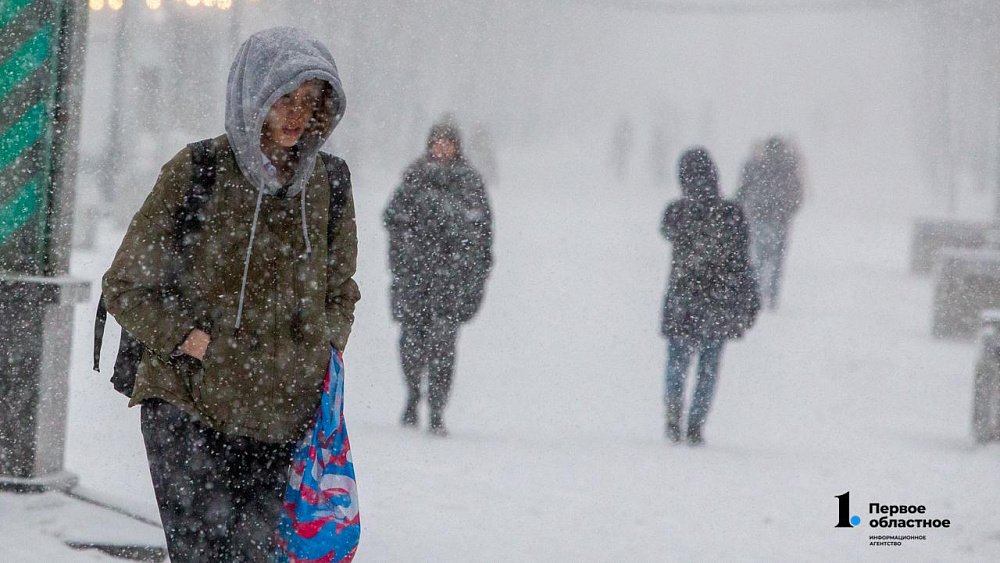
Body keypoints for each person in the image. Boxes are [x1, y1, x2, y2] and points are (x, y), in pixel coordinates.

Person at [102, 27, 359, 561]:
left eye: (310, 101)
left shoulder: (329, 183)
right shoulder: (199, 170)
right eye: (284, 97)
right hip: (189, 404)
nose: (295, 113)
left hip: (284, 413)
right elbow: (125, 285)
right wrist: (190, 340)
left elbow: (340, 288)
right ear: (254, 93)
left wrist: (323, 349)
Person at [383, 117, 493, 437]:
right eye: (437, 142)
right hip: (414, 279)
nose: (441, 148)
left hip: (450, 282)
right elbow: (393, 219)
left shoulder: (469, 183)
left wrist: (473, 279)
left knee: (443, 347)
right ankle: (413, 394)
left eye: (448, 142)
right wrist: (404, 260)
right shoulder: (414, 177)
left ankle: (437, 407)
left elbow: (482, 236)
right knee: (411, 343)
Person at [660, 147, 759, 446]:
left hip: (683, 296)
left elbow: (665, 231)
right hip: (719, 299)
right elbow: (742, 259)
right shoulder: (732, 213)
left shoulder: (677, 212)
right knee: (709, 364)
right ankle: (696, 423)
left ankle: (673, 408)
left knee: (677, 358)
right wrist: (749, 294)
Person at [736, 136, 804, 309]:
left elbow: (742, 190)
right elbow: (797, 194)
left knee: (760, 256)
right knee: (777, 259)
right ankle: (772, 295)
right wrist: (788, 211)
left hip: (759, 217)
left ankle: (758, 292)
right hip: (781, 219)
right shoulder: (788, 167)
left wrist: (739, 209)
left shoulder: (755, 166)